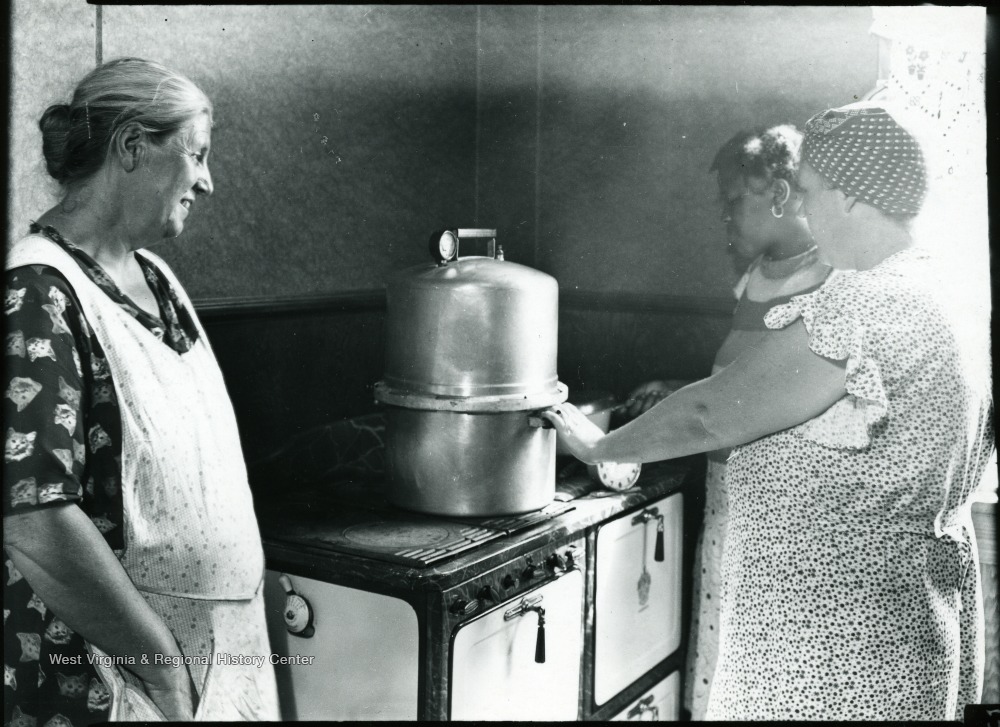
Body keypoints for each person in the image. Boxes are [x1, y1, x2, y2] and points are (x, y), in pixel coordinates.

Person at [542, 103, 994, 720]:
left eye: (808, 191)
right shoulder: (945, 287)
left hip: (839, 641)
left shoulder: (869, 301)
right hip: (898, 617)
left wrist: (597, 446)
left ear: (851, 195)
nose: (801, 207)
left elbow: (711, 413)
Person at [3, 58, 278, 724]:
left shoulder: (156, 276)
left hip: (221, 658)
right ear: (131, 146)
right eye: (197, 154)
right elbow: (34, 520)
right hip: (117, 674)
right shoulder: (37, 292)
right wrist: (161, 668)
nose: (207, 181)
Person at [622, 124, 832, 720]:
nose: (725, 215)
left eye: (735, 200)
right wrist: (678, 389)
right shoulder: (754, 277)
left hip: (782, 504)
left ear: (781, 195)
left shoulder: (827, 281)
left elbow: (781, 395)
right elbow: (738, 381)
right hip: (727, 492)